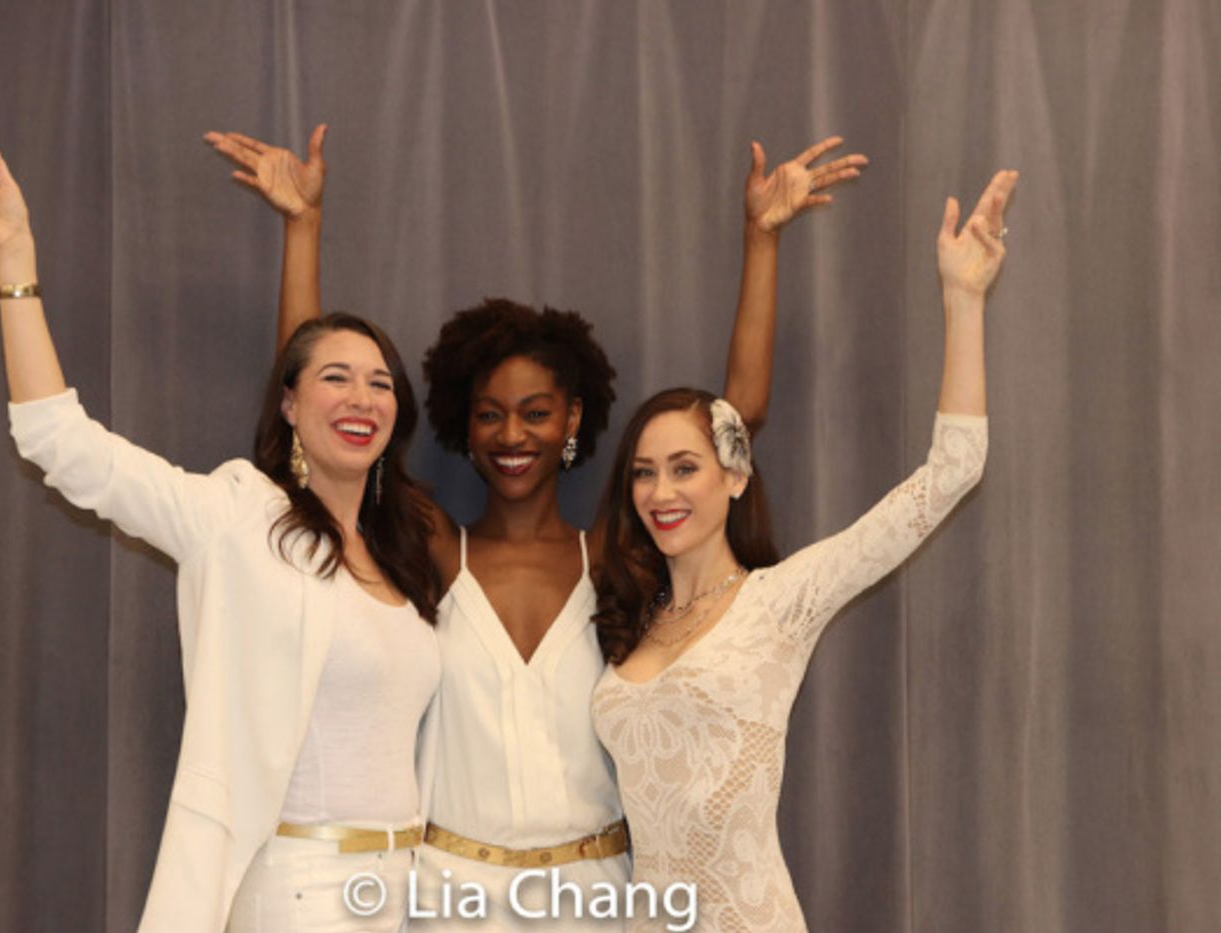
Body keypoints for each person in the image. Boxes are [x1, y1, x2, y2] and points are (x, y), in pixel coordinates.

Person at [202, 124, 865, 929]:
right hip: (449, 898)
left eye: (535, 413)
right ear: (463, 426)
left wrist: (761, 238)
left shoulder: (618, 557)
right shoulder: (434, 547)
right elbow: (317, 414)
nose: (511, 435)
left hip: (602, 897)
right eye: (489, 415)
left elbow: (735, 418)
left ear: (573, 419)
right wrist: (302, 228)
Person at [0, 144, 445, 932]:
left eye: (379, 382)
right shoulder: (237, 516)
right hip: (306, 894)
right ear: (291, 405)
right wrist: (13, 260)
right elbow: (62, 442)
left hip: (411, 892)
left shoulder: (403, 546)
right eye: (334, 377)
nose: (361, 396)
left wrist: (306, 226)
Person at [589, 169, 1018, 932]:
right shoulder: (631, 613)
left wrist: (964, 299)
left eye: (685, 467)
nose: (662, 492)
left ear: (734, 474)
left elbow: (953, 472)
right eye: (644, 473)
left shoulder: (784, 598)